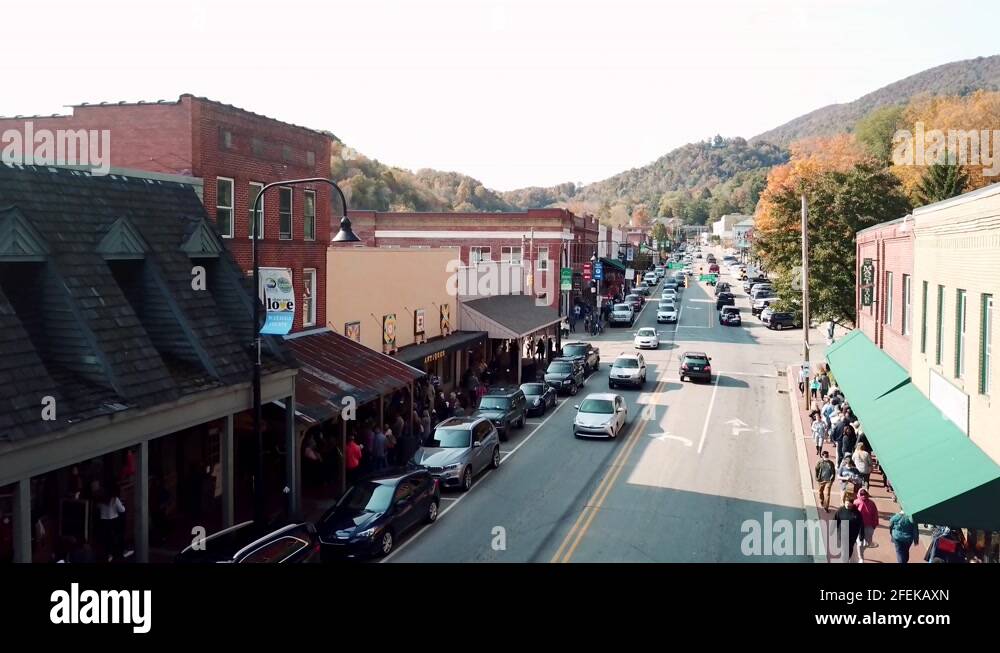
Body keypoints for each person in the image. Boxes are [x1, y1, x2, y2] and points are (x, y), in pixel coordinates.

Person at [98, 486, 126, 562]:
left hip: (103, 522)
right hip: (113, 522)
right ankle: (115, 555)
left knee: (105, 541)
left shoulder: (101, 499)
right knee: (114, 539)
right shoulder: (115, 499)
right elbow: (122, 510)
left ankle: (106, 556)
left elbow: (98, 508)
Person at [833, 494, 864, 563]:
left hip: (852, 536)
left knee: (849, 550)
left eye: (849, 505)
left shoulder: (857, 514)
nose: (847, 506)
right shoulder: (840, 510)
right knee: (844, 552)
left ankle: (847, 559)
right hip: (842, 535)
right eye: (846, 504)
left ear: (852, 504)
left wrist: (861, 535)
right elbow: (835, 520)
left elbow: (861, 525)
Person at [853, 488, 879, 562]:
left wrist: (875, 524)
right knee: (860, 543)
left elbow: (875, 514)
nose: (863, 496)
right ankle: (861, 558)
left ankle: (860, 550)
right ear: (859, 494)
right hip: (859, 527)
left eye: (865, 494)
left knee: (868, 543)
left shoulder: (871, 503)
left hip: (869, 526)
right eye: (861, 494)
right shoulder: (856, 502)